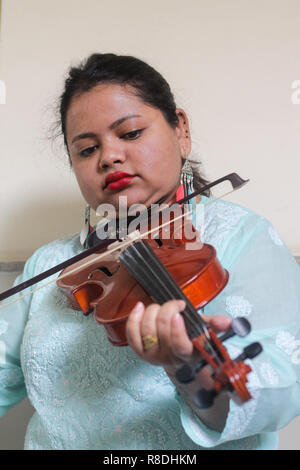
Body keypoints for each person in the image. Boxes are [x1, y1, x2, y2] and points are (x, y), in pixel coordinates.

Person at [0, 53, 300, 450]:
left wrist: (188, 366)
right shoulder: (53, 264)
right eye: (87, 150)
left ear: (181, 130)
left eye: (130, 133)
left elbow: (279, 389)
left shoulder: (236, 236)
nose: (109, 156)